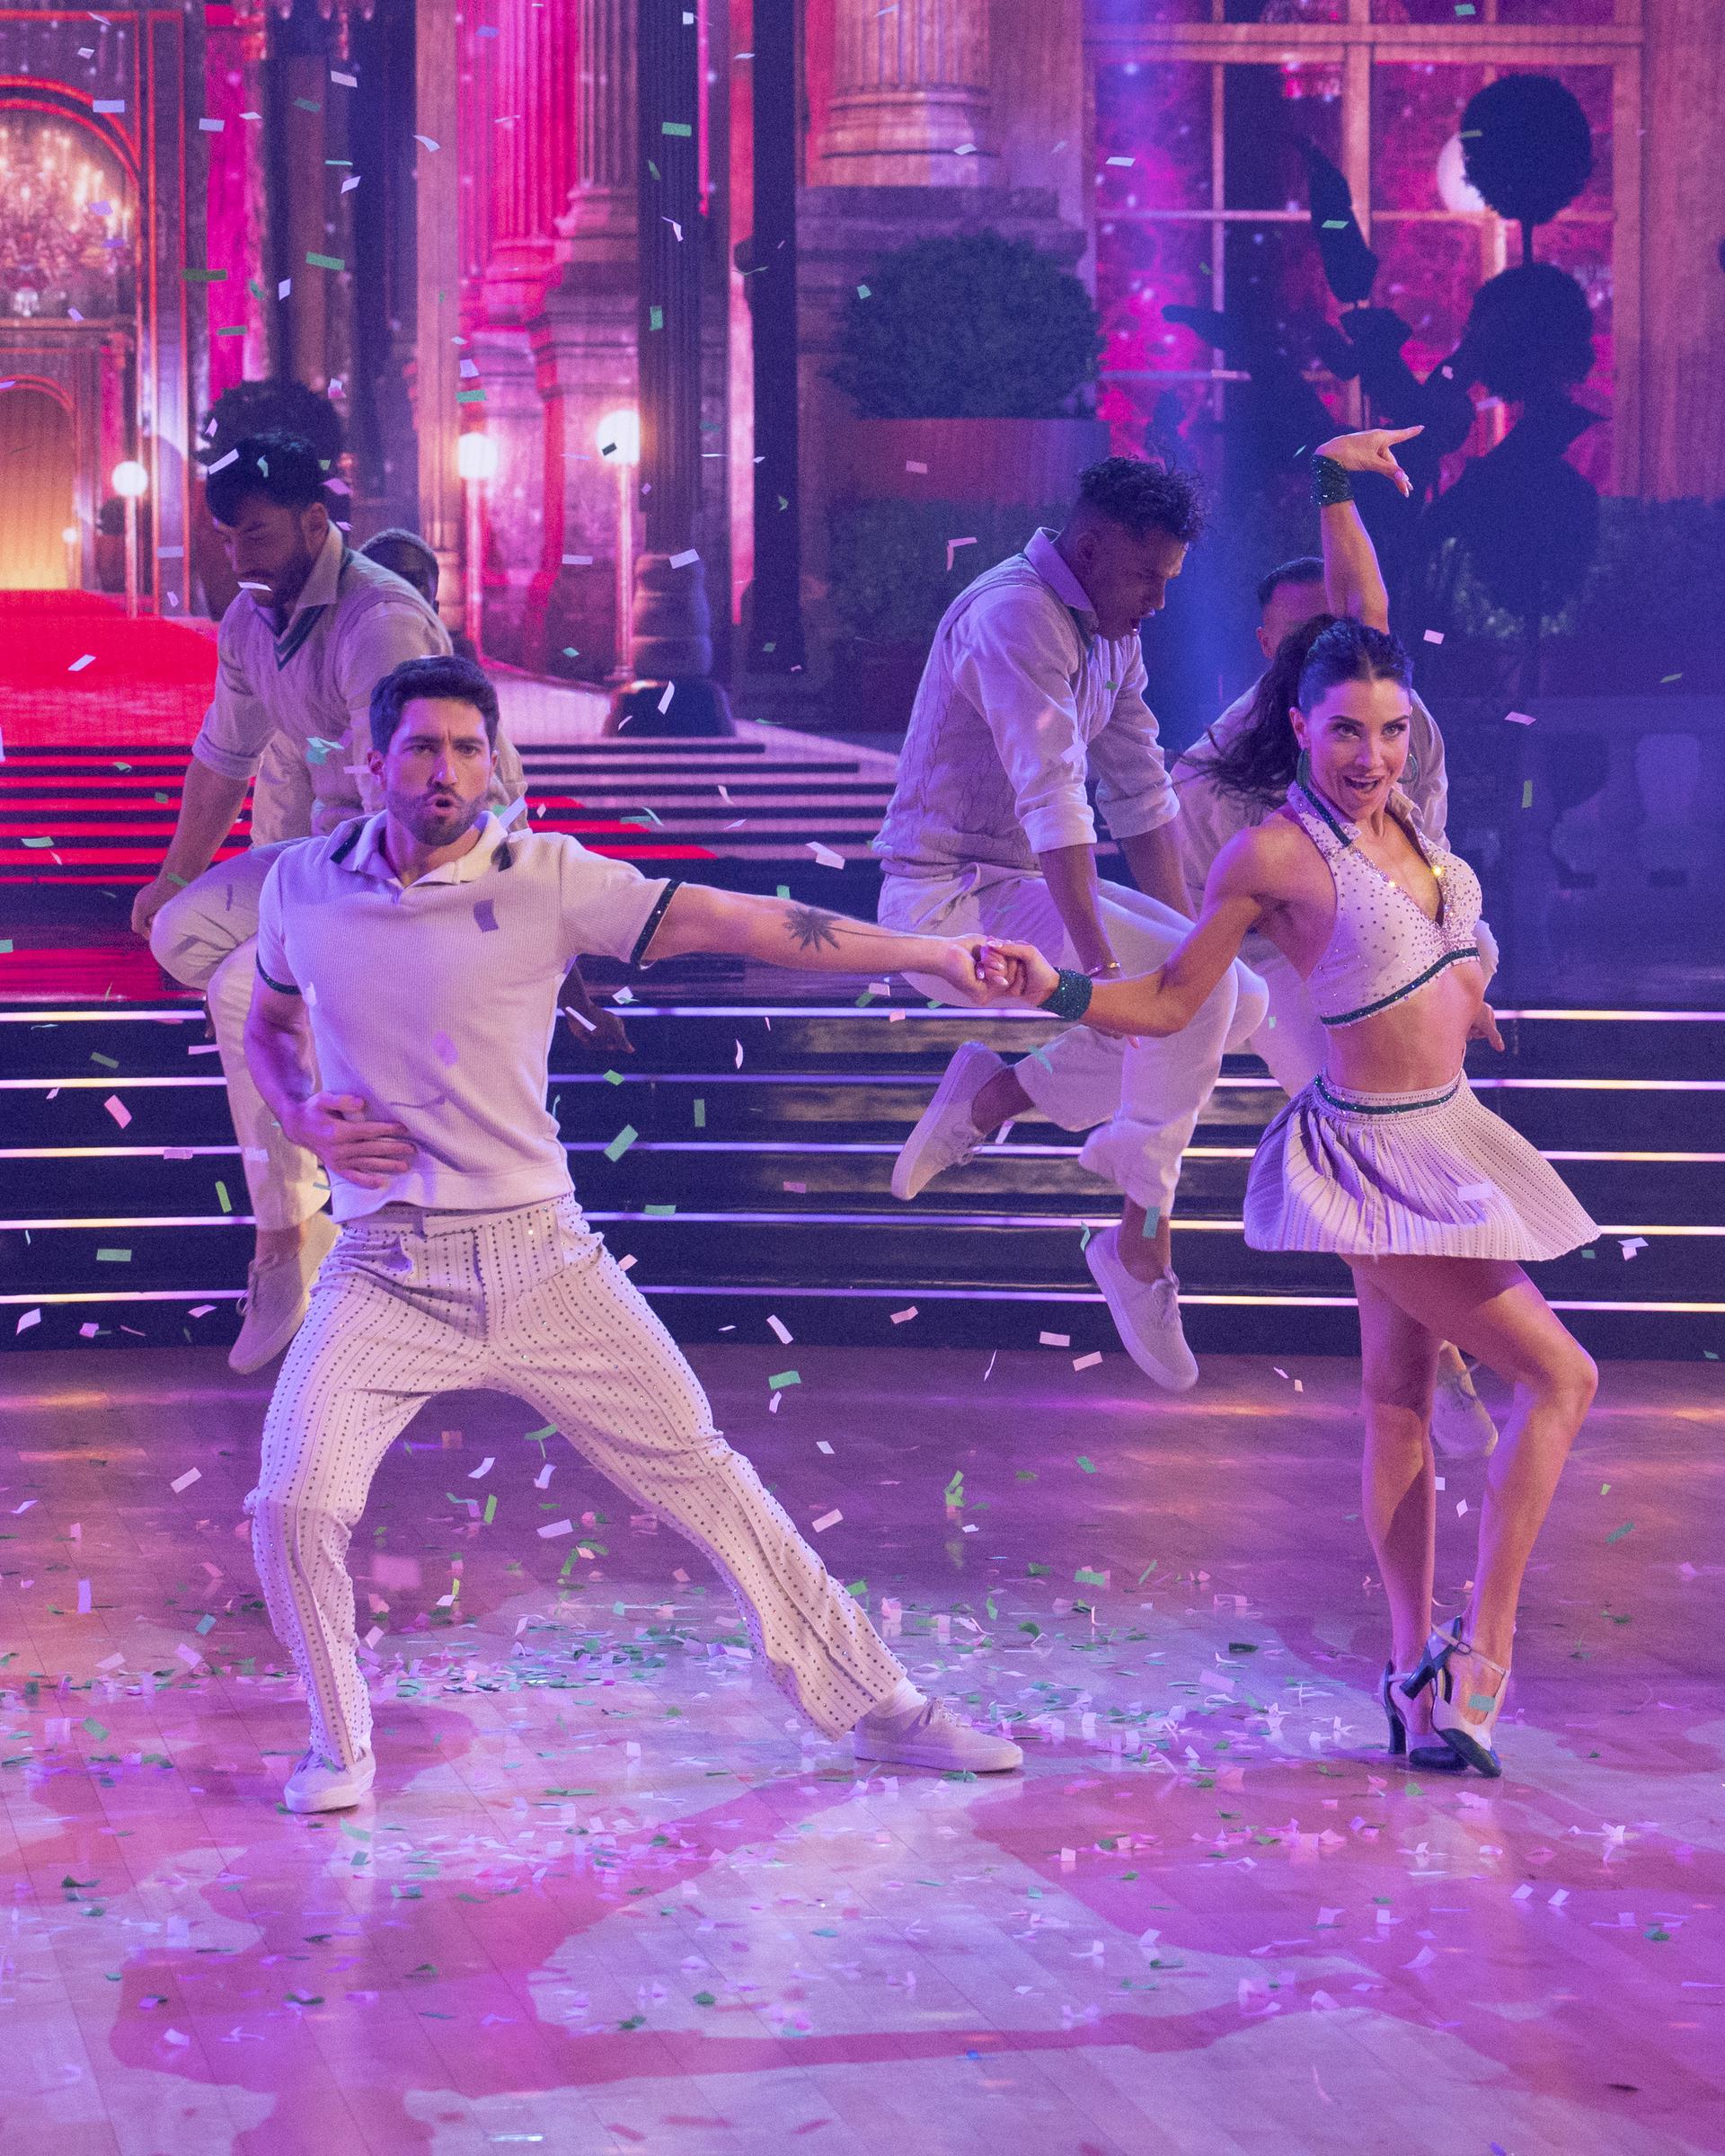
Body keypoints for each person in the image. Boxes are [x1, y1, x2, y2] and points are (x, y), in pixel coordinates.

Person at [240, 652, 1025, 1812]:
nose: (444, 769)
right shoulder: (301, 887)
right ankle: (339, 1746)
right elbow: (268, 1023)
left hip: (543, 1259)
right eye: (420, 746)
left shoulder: (551, 877)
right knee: (292, 1500)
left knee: (708, 1479)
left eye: (467, 748)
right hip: (386, 1271)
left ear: (496, 767)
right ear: (371, 764)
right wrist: (304, 1112)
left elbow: (742, 920)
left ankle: (879, 1704)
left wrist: (932, 954)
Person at [992, 474, 1598, 1777]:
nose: (1370, 752)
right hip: (1374, 1158)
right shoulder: (1273, 854)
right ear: (1302, 727)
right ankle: (1480, 1656)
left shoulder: (1412, 825)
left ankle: (1407, 1674)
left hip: (1452, 1127)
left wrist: (1336, 490)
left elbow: (1370, 616)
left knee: (1396, 1399)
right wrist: (1052, 985)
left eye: (1387, 727)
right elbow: (1165, 1003)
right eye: (1344, 730)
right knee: (1562, 1376)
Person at [130, 437, 540, 1373]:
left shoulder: (379, 623)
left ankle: (288, 1239)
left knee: (243, 989)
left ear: (316, 524)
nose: (241, 556)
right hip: (346, 838)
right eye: (228, 536)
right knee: (185, 934)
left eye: (259, 533)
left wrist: (315, 924)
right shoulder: (249, 621)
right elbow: (221, 759)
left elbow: (415, 800)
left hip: (445, 858)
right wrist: (173, 876)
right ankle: (308, 1210)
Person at [873, 458, 1268, 1390]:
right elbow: (1058, 803)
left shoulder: (1109, 629)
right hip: (944, 903)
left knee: (1234, 999)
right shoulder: (1013, 614)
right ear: (1090, 549)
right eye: (1149, 577)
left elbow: (1139, 790)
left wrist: (1183, 953)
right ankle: (1140, 1251)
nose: (1162, 601)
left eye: (1172, 580)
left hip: (1016, 886)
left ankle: (991, 1099)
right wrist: (1103, 977)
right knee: (1187, 1008)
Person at [1171, 428, 1499, 1460]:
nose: (1336, 643)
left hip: (1432, 949)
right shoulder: (1218, 770)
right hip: (1303, 985)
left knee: (1433, 1157)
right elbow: (1196, 916)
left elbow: (1373, 614)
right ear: (1275, 653)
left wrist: (1328, 479)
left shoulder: (1393, 716)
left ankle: (1430, 1349)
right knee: (1374, 1160)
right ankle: (1431, 1361)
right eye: (1305, 633)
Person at [359, 527, 481, 664]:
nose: (397, 597)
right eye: (382, 583)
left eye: (411, 583)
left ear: (434, 609)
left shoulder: (458, 671)